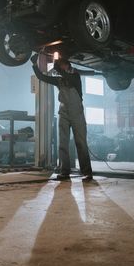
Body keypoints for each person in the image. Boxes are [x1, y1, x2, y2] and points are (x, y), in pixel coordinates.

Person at [31, 53, 96, 181]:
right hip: (64, 113)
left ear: (67, 66)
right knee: (63, 143)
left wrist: (57, 66)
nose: (59, 68)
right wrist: (34, 64)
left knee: (81, 143)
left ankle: (87, 172)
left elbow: (66, 76)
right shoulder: (59, 80)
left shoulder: (75, 77)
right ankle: (64, 172)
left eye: (61, 65)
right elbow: (41, 77)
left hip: (77, 113)